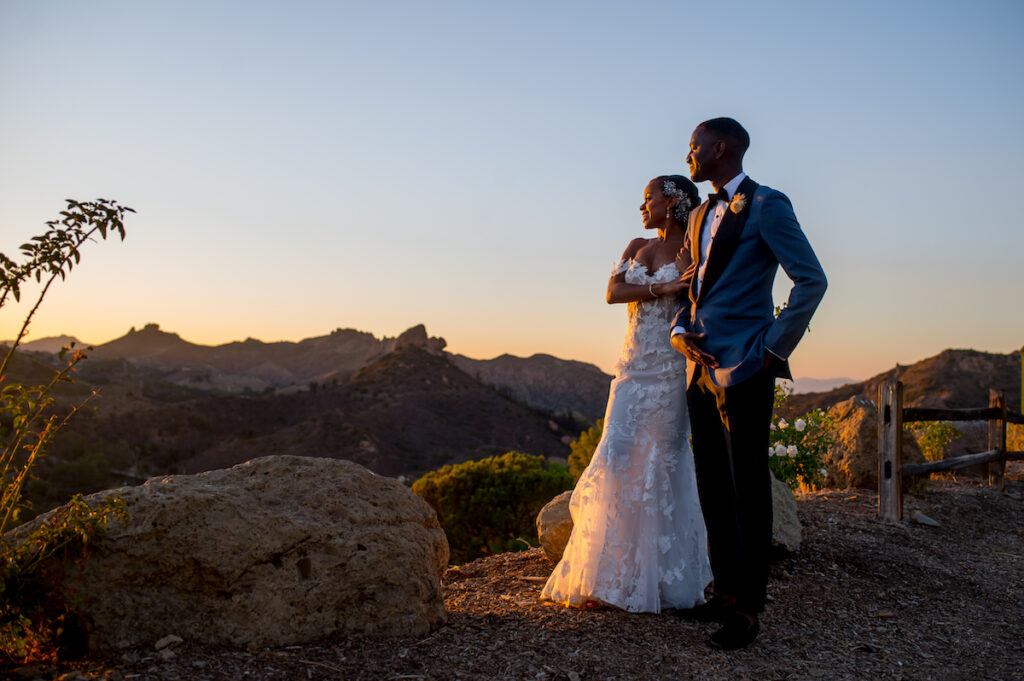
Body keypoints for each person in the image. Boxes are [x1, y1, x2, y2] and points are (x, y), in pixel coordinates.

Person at [670, 118, 827, 649]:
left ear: (721, 148)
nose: (687, 155)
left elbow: (812, 278)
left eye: (694, 147)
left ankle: (750, 612)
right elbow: (691, 287)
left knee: (748, 490)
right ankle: (726, 595)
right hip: (698, 370)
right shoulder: (697, 215)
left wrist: (771, 351)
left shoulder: (767, 205)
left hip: (746, 367)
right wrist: (679, 332)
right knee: (712, 486)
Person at [541, 175, 713, 613]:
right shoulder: (636, 245)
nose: (642, 206)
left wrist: (685, 295)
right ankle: (610, 577)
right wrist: (663, 287)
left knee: (662, 467)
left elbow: (704, 297)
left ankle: (662, 582)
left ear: (672, 202)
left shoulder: (694, 249)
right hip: (632, 372)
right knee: (616, 458)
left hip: (672, 373)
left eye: (649, 198)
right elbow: (613, 292)